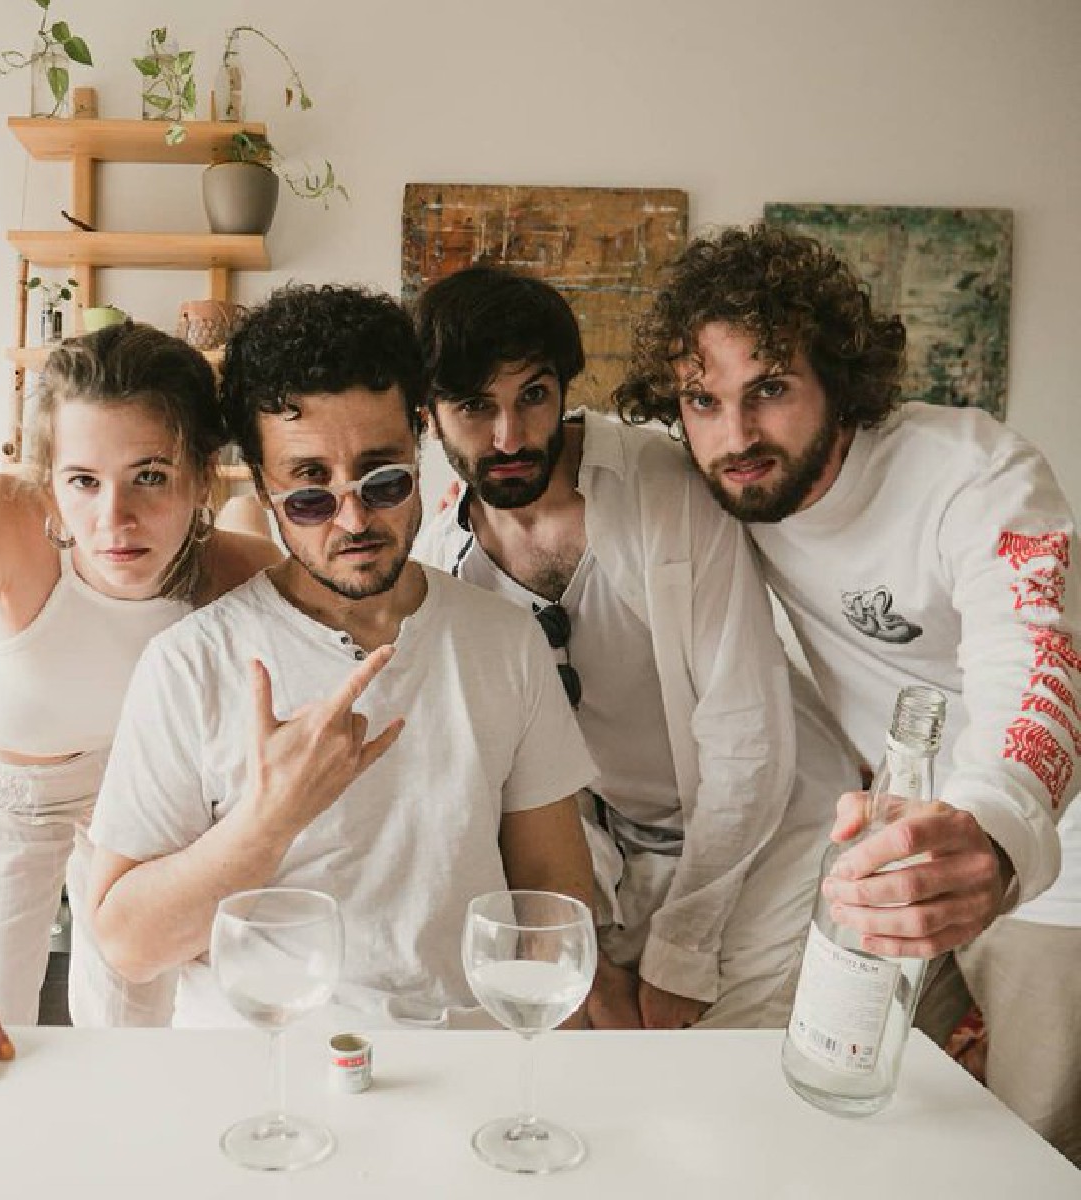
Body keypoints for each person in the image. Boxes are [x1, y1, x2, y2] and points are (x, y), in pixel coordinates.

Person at [616, 223, 1080, 1163]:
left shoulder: (973, 475)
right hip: (894, 846)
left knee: (1028, 1148)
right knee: (861, 1118)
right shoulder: (726, 493)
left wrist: (989, 833)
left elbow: (1037, 668)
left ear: (839, 379)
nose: (735, 437)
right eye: (703, 400)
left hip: (1051, 860)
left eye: (770, 389)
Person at [84, 285, 596, 1028]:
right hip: (266, 1061)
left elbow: (553, 889)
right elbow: (129, 947)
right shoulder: (190, 664)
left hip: (466, 1055)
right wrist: (270, 819)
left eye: (383, 479)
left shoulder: (505, 641)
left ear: (419, 438)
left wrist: (539, 1051)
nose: (354, 520)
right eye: (310, 494)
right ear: (263, 487)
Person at [413, 266, 859, 1030]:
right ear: (429, 416)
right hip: (627, 854)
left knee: (728, 1061)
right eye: (475, 407)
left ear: (565, 388)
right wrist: (581, 931)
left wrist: (684, 946)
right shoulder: (440, 562)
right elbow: (522, 779)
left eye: (533, 395)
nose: (510, 436)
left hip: (777, 829)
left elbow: (746, 735)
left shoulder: (663, 487)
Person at [0, 323, 282, 1084]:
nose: (113, 520)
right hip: (3, 795)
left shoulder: (239, 574)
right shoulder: (0, 515)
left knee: (131, 1031)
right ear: (50, 480)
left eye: (150, 476)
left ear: (203, 473)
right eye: (83, 481)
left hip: (134, 801)